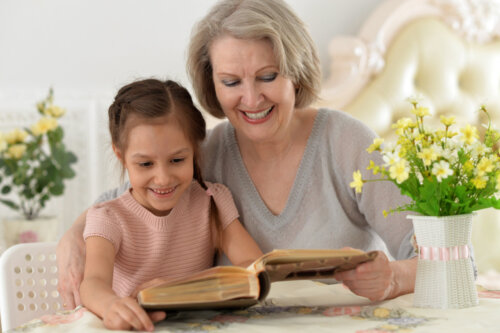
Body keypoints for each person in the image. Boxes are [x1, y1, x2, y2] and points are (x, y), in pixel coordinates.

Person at [57, 0, 417, 311]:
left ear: (296, 72)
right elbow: (120, 203)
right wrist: (71, 237)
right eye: (231, 82)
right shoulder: (202, 156)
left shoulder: (347, 142)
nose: (251, 98)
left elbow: (445, 255)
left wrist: (395, 278)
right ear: (211, 84)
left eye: (267, 76)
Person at [79, 78, 263, 331]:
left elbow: (254, 267)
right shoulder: (108, 218)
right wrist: (111, 306)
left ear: (195, 150)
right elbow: (93, 283)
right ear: (121, 156)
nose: (163, 178)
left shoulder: (212, 202)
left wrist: (180, 290)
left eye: (177, 160)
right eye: (145, 164)